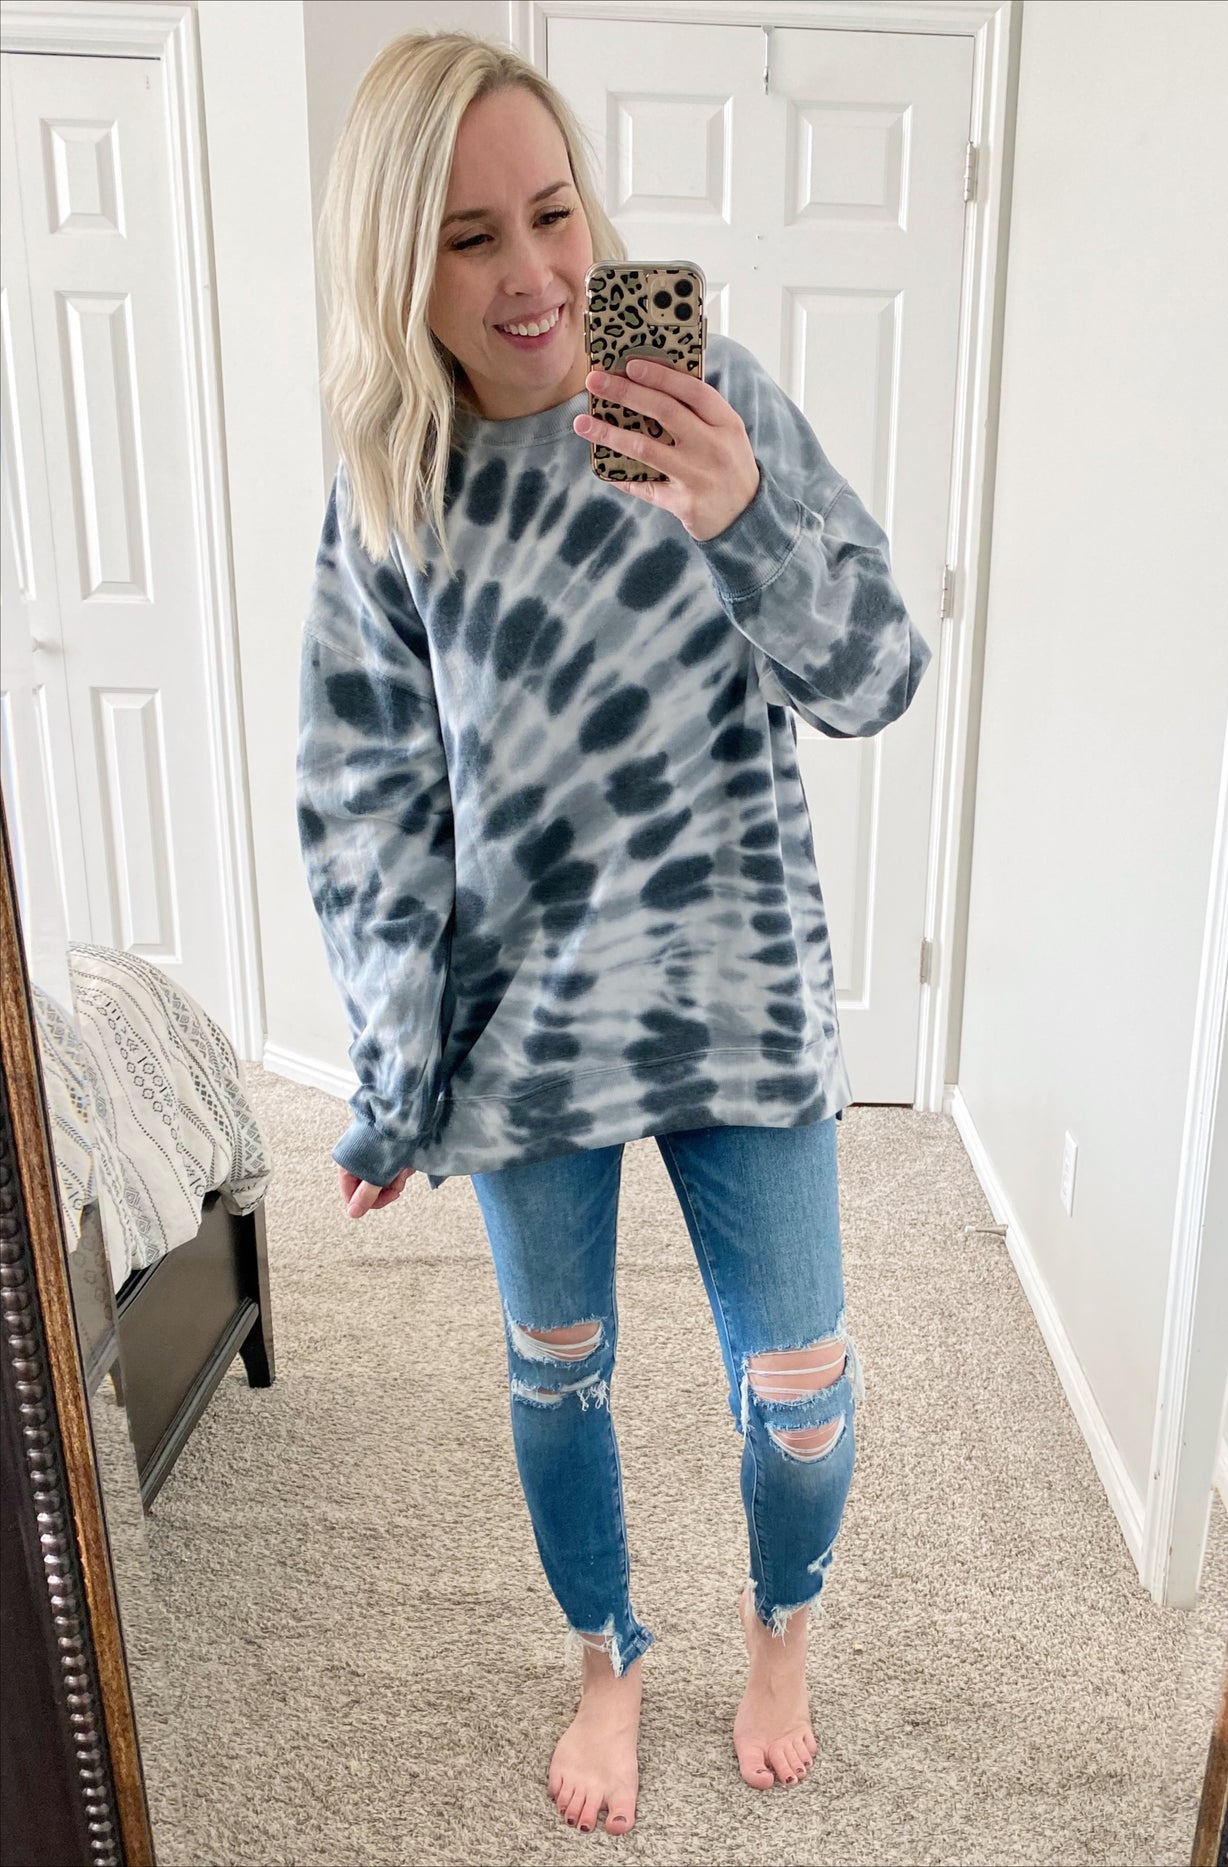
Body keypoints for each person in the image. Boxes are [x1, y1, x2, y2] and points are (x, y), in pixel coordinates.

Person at [297, 29, 931, 1838]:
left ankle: (780, 1630)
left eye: (555, 213)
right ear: (398, 270)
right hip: (529, 1027)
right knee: (556, 1374)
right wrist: (393, 1081)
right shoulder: (393, 487)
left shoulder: (703, 397)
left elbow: (877, 677)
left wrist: (746, 519)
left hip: (740, 987)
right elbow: (368, 808)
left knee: (800, 1397)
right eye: (469, 236)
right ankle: (607, 1660)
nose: (536, 276)